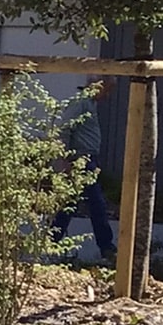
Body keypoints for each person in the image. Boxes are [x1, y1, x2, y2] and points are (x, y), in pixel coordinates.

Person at [54, 81, 117, 261]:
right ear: (98, 86)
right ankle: (106, 246)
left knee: (71, 204)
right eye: (107, 90)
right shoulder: (81, 102)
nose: (108, 95)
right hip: (80, 160)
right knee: (96, 204)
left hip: (88, 159)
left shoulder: (90, 103)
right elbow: (65, 128)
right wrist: (65, 159)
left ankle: (51, 240)